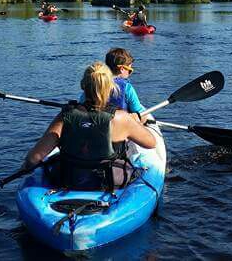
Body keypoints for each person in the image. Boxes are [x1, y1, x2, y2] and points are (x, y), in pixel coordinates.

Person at [23, 62, 157, 190]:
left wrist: (26, 168)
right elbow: (151, 143)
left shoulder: (65, 116)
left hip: (70, 180)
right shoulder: (122, 118)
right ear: (110, 87)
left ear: (83, 86)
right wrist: (134, 121)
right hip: (110, 182)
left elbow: (33, 159)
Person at [80, 48, 146, 119]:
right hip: (120, 125)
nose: (130, 73)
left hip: (96, 124)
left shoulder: (94, 83)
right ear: (122, 69)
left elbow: (82, 103)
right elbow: (139, 112)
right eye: (130, 70)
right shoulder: (127, 88)